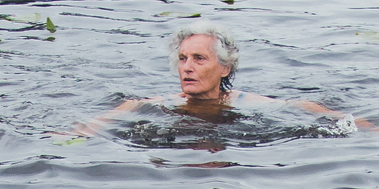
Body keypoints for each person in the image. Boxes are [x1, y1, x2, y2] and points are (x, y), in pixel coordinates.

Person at [81, 29, 361, 132]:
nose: (187, 68)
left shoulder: (243, 101)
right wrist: (74, 134)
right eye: (182, 59)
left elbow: (302, 106)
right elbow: (126, 108)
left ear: (224, 68)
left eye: (199, 59)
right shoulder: (161, 104)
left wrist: (374, 129)